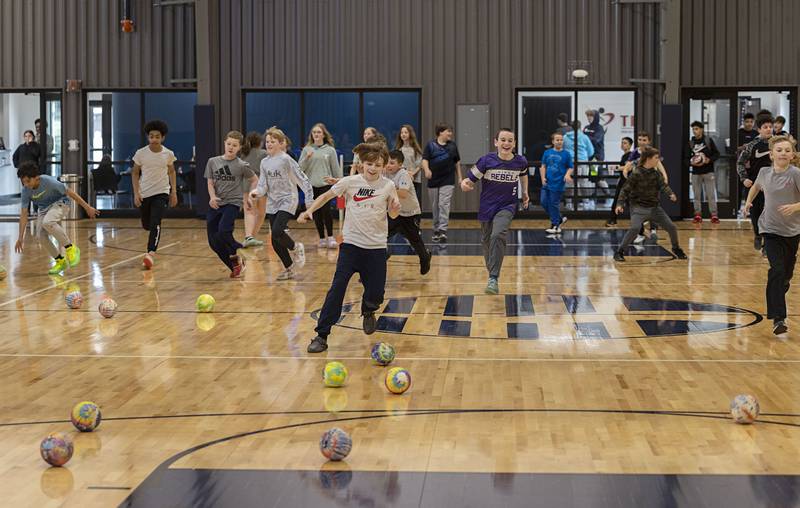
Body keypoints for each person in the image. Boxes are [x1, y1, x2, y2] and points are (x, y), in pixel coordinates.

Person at [299, 142, 401, 353]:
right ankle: (321, 334)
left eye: (378, 164)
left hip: (376, 248)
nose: (373, 168)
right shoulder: (350, 182)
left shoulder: (388, 186)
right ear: (362, 164)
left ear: (383, 166)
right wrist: (310, 211)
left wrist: (394, 208)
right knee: (337, 289)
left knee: (376, 292)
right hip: (351, 246)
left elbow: (393, 215)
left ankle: (369, 310)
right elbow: (326, 196)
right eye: (369, 164)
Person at [460, 128, 529, 295]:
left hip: (507, 206)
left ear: (514, 143)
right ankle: (492, 272)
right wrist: (465, 185)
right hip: (487, 207)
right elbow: (469, 180)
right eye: (503, 140)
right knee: (487, 242)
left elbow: (523, 175)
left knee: (498, 234)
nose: (506, 143)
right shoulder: (486, 161)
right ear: (496, 142)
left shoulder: (520, 161)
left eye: (510, 140)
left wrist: (525, 193)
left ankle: (493, 277)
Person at [743, 136, 800, 335]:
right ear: (772, 153)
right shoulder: (764, 172)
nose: (783, 153)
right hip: (770, 229)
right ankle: (779, 319)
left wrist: (795, 206)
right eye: (779, 150)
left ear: (792, 155)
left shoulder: (795, 174)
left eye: (787, 150)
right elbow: (756, 187)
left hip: (792, 232)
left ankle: (783, 283)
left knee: (785, 274)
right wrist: (748, 202)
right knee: (775, 270)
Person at [248, 127, 313, 281]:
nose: (269, 144)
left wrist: (309, 201)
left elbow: (302, 179)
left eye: (273, 141)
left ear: (280, 143)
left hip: (288, 199)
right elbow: (263, 185)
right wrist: (256, 193)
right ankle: (289, 269)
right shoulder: (264, 162)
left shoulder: (286, 160)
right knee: (274, 240)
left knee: (277, 231)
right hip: (272, 202)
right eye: (268, 141)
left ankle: (296, 247)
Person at [14, 161, 99, 274]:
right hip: (44, 209)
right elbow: (24, 214)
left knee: (47, 222)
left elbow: (70, 192)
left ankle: (71, 248)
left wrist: (87, 207)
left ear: (36, 177)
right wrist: (20, 237)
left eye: (28, 181)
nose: (26, 185)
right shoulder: (25, 191)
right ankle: (60, 261)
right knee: (40, 236)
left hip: (61, 203)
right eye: (23, 182)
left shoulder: (48, 182)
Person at [613, 147, 687, 262]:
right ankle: (619, 252)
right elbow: (625, 190)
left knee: (671, 227)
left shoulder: (656, 173)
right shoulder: (636, 173)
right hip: (638, 208)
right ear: (648, 159)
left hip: (655, 209)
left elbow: (663, 186)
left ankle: (676, 248)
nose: (658, 160)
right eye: (656, 158)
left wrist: (670, 194)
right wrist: (619, 204)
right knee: (635, 228)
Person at [205, 131, 256, 278]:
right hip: (216, 204)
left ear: (239, 147)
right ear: (224, 143)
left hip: (232, 203)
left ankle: (240, 249)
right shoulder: (212, 162)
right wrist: (212, 197)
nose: (231, 147)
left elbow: (254, 179)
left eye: (234, 145)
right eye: (229, 144)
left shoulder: (241, 165)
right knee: (213, 242)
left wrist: (250, 196)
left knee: (223, 231)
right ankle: (235, 265)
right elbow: (210, 182)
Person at [132, 120, 178, 270]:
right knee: (147, 225)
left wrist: (173, 192)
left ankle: (150, 253)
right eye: (151, 136)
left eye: (157, 136)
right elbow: (135, 172)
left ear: (162, 138)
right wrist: (136, 192)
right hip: (145, 193)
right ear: (148, 137)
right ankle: (150, 246)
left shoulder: (168, 154)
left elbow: (171, 171)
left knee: (155, 222)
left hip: (162, 193)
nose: (154, 139)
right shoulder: (141, 153)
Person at [385, 150, 431, 274]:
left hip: (411, 214)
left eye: (392, 163)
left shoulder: (403, 174)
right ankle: (382, 256)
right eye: (387, 162)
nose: (388, 165)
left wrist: (386, 190)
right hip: (396, 213)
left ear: (400, 165)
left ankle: (425, 257)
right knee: (381, 235)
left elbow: (403, 194)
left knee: (414, 240)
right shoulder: (385, 173)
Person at [300, 123, 341, 249]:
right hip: (311, 185)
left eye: (318, 132)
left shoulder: (330, 150)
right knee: (316, 212)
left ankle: (330, 237)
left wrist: (338, 181)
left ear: (323, 134)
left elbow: (336, 169)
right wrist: (306, 158)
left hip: (325, 184)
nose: (316, 134)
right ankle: (322, 238)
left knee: (326, 211)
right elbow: (300, 168)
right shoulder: (307, 149)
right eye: (314, 132)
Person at [623, 131, 669, 243]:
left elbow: (659, 164)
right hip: (639, 186)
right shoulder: (635, 152)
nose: (642, 142)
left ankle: (653, 229)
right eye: (640, 140)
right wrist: (625, 170)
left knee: (653, 206)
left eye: (644, 140)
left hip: (652, 183)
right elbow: (628, 164)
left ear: (648, 141)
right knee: (637, 209)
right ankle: (641, 232)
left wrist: (665, 176)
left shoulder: (651, 152)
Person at [737, 113, 774, 252]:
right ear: (759, 129)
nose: (769, 129)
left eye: (771, 127)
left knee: (769, 213)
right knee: (755, 213)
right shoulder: (752, 145)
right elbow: (740, 163)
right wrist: (744, 178)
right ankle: (758, 235)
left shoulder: (777, 144)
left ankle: (767, 244)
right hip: (754, 184)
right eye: (765, 127)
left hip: (772, 186)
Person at [422, 123, 462, 243]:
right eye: (448, 131)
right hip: (433, 180)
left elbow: (457, 163)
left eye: (450, 131)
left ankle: (443, 231)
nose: (450, 133)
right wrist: (427, 170)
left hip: (448, 180)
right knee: (435, 206)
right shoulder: (430, 145)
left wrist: (460, 177)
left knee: (444, 204)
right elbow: (425, 159)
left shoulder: (452, 146)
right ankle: (436, 230)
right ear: (440, 132)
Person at [539, 132, 574, 234]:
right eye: (557, 140)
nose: (560, 141)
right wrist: (543, 179)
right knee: (544, 202)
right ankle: (559, 218)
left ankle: (555, 225)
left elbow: (570, 167)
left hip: (558, 183)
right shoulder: (547, 153)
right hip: (547, 182)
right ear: (553, 141)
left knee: (554, 204)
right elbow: (543, 166)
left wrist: (567, 175)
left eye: (561, 140)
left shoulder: (566, 154)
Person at [688, 121, 721, 223]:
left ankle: (714, 215)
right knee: (696, 195)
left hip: (708, 172)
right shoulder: (690, 143)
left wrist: (708, 160)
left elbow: (717, 154)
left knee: (710, 194)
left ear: (701, 129)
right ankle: (697, 215)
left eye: (696, 129)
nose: (694, 131)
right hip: (695, 173)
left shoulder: (708, 140)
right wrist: (691, 163)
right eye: (693, 129)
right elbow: (685, 158)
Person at [240, 131, 268, 248]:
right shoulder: (264, 153)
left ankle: (249, 237)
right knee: (261, 213)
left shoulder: (244, 154)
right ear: (260, 142)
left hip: (246, 185)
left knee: (249, 211)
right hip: (260, 185)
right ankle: (252, 236)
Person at [563, 120, 595, 209]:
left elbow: (562, 149)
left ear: (571, 126)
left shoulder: (565, 137)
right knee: (583, 182)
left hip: (570, 162)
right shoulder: (584, 137)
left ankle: (569, 203)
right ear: (580, 127)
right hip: (582, 162)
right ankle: (586, 203)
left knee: (569, 183)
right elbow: (591, 151)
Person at [606, 136, 633, 226]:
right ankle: (612, 219)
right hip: (622, 181)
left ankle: (641, 220)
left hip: (628, 182)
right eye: (622, 142)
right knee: (617, 200)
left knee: (629, 202)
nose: (622, 144)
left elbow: (628, 168)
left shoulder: (630, 155)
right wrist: (619, 178)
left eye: (625, 143)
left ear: (630, 145)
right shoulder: (624, 155)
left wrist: (616, 167)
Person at [395, 124, 424, 204]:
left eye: (406, 132)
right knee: (404, 201)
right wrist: (406, 173)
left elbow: (420, 164)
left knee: (415, 200)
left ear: (410, 134)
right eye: (402, 133)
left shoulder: (415, 149)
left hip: (415, 179)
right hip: (403, 178)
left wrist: (413, 173)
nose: (403, 134)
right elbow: (397, 165)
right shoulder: (398, 150)